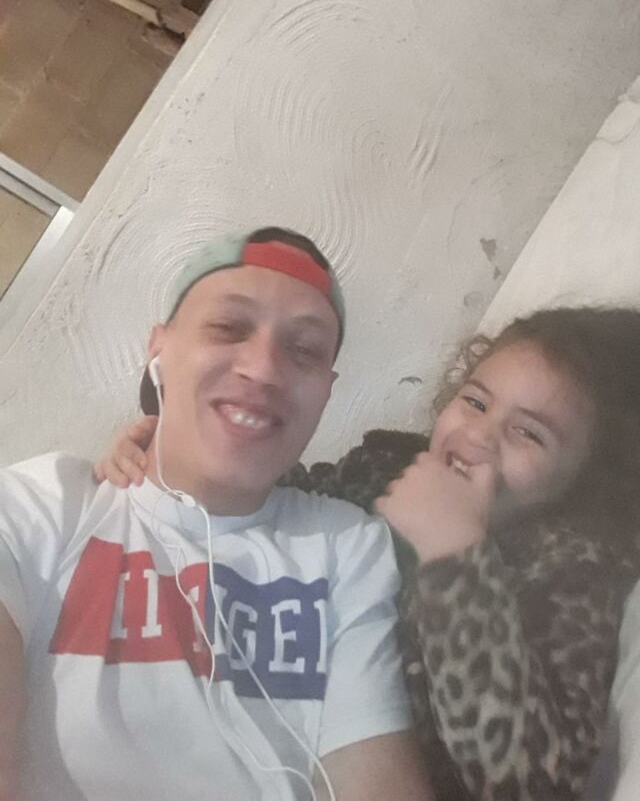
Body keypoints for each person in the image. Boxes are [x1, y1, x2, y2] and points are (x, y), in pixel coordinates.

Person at [102, 306, 640, 800]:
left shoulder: (572, 572)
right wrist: (167, 456)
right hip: (252, 737)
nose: (478, 435)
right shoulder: (382, 468)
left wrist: (456, 554)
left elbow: (530, 782)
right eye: (475, 402)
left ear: (588, 478)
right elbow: (272, 501)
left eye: (528, 433)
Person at [0, 227, 434, 801]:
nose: (264, 369)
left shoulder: (346, 544)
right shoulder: (39, 503)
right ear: (159, 351)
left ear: (326, 391)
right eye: (228, 327)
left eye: (304, 350)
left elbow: (370, 771)